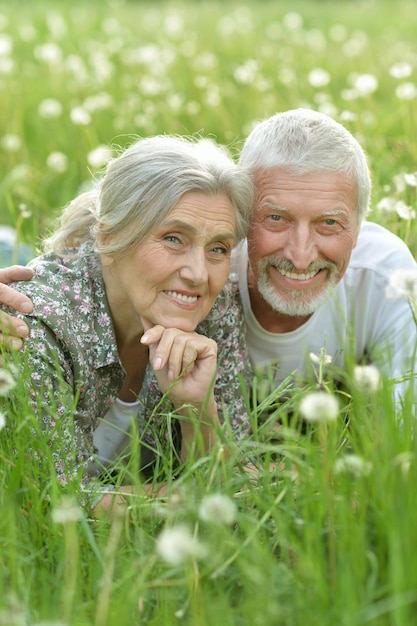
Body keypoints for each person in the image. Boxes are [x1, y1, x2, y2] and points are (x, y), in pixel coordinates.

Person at [0, 134, 254, 513]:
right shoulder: (34, 324)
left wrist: (198, 412)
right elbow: (50, 504)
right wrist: (193, 499)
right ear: (110, 236)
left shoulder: (213, 306)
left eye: (218, 247)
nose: (200, 274)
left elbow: (231, 478)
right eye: (173, 238)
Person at [234, 108, 417, 408]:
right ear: (242, 217)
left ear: (359, 229)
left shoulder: (387, 277)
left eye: (329, 223)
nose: (301, 256)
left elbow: (406, 424)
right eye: (276, 218)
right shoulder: (205, 272)